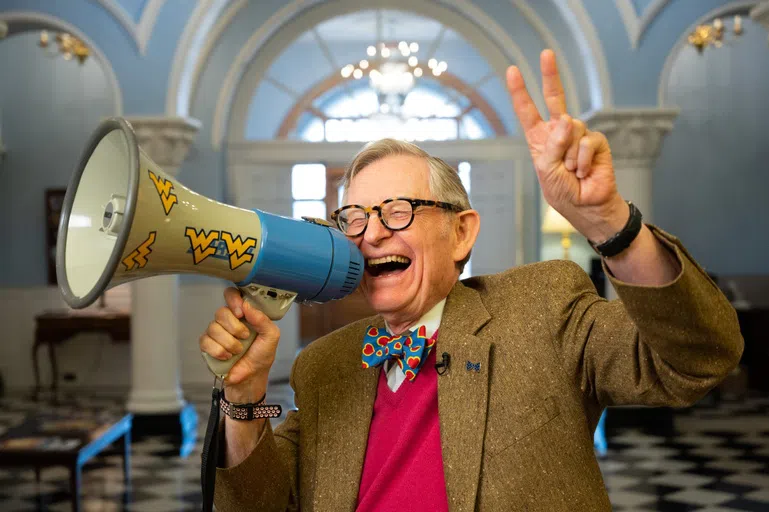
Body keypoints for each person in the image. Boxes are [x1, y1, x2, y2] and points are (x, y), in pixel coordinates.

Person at [199, 49, 743, 511]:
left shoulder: (544, 310)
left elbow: (697, 359)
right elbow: (261, 502)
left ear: (461, 233)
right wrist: (243, 401)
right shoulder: (323, 366)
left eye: (398, 210)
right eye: (355, 218)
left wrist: (610, 225)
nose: (371, 235)